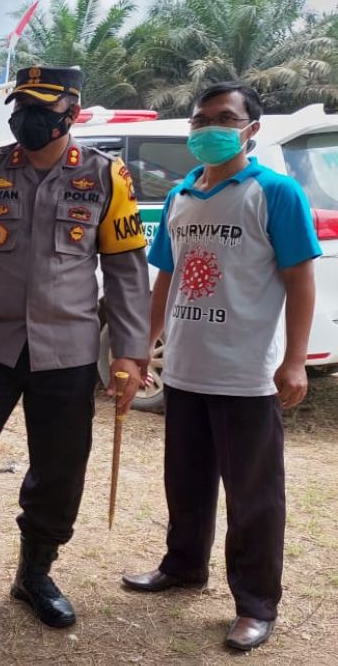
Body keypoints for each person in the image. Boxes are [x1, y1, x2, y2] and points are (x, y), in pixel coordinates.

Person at [0, 66, 151, 628]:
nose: (28, 116)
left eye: (43, 107)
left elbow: (125, 269)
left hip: (68, 351)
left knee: (60, 468)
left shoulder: (106, 177)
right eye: (21, 105)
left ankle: (36, 572)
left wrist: (128, 352)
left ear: (71, 111)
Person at [121, 82, 320, 652]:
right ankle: (183, 566)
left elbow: (300, 279)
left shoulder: (274, 192)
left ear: (251, 129)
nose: (209, 126)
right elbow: (165, 281)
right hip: (184, 370)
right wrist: (142, 351)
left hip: (246, 375)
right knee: (185, 484)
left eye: (224, 117)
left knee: (254, 498)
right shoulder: (182, 196)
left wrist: (295, 361)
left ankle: (256, 604)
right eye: (201, 118)